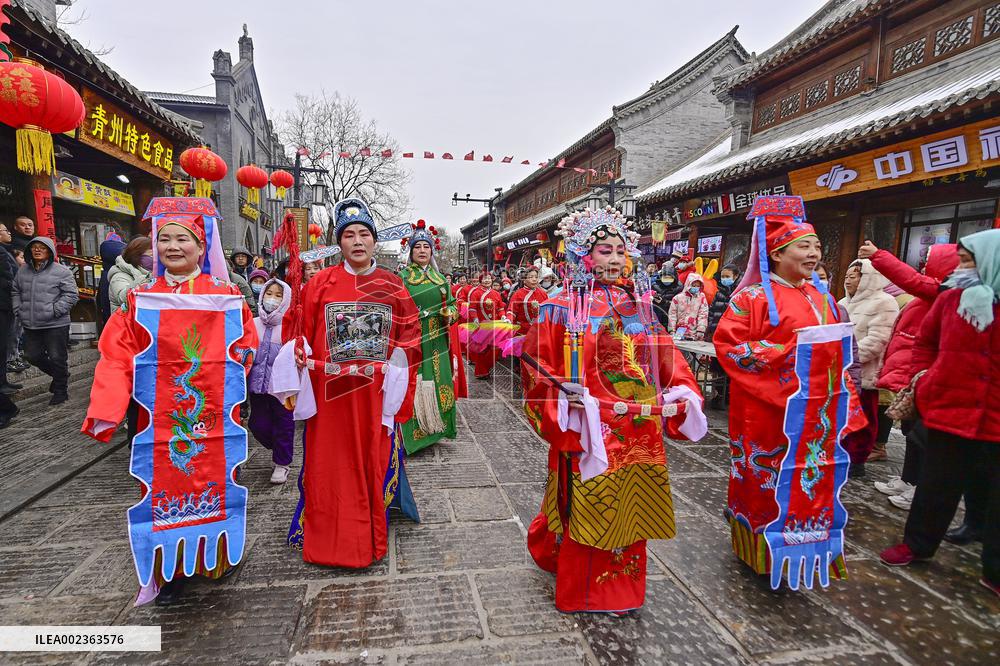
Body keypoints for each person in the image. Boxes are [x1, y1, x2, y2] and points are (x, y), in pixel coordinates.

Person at [524, 206, 706, 614]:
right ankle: (587, 589)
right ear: (583, 255)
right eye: (605, 251)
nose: (616, 259)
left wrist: (682, 387)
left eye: (621, 252)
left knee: (631, 501)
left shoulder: (636, 306)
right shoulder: (560, 306)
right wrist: (560, 399)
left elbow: (664, 353)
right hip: (591, 425)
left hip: (638, 424)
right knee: (590, 502)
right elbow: (536, 363)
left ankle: (621, 586)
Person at [82, 197, 258, 605]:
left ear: (201, 247)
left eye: (183, 238)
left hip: (210, 414)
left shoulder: (225, 295)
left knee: (213, 480)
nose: (173, 247)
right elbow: (116, 353)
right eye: (164, 239)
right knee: (162, 484)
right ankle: (166, 568)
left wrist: (237, 366)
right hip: (155, 417)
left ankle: (211, 557)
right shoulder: (140, 300)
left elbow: (246, 342)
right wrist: (107, 409)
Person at [714, 195, 864, 590]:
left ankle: (810, 555)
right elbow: (732, 350)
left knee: (813, 484)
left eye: (816, 245)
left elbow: (839, 355)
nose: (814, 253)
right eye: (804, 246)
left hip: (818, 413)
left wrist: (846, 399)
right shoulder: (751, 298)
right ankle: (761, 557)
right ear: (777, 254)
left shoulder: (821, 297)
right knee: (767, 483)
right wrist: (792, 353)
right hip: (767, 412)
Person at [283, 198, 421, 568]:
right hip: (330, 398)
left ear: (374, 241)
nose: (357, 241)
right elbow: (302, 333)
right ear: (338, 243)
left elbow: (410, 338)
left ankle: (369, 540)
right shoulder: (320, 284)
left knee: (371, 463)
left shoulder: (393, 286)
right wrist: (298, 361)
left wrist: (397, 393)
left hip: (375, 395)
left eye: (364, 234)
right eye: (348, 235)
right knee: (328, 466)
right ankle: (328, 543)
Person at [880, 229, 1000, 600]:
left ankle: (994, 568)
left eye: (969, 261)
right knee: (937, 484)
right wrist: (925, 379)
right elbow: (926, 343)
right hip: (949, 407)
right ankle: (917, 545)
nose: (962, 268)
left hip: (994, 414)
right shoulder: (950, 300)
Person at [858, 240, 959, 512]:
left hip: (925, 377)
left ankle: (919, 489)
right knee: (912, 433)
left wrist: (879, 256)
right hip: (910, 376)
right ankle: (908, 480)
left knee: (921, 438)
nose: (923, 266)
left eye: (929, 261)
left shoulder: (941, 291)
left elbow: (912, 280)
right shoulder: (929, 296)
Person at [398, 220, 459, 454]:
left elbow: (453, 306)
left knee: (438, 379)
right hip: (411, 339)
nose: (422, 251)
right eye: (417, 247)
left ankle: (437, 427)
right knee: (414, 381)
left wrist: (449, 314)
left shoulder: (441, 280)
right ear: (411, 252)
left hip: (437, 339)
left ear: (432, 251)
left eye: (426, 246)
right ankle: (413, 435)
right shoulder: (402, 278)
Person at [838, 259, 898, 477]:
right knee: (841, 418)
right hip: (840, 372)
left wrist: (846, 356)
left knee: (863, 421)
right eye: (847, 275)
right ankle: (841, 455)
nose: (848, 279)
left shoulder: (884, 302)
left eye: (854, 275)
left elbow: (878, 341)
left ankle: (856, 460)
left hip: (865, 374)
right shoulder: (843, 302)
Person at [12, 237, 79, 405]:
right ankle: (59, 376)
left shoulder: (62, 271)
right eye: (34, 247)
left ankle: (60, 391)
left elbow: (71, 294)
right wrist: (18, 309)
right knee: (31, 355)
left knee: (58, 357)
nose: (37, 250)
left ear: (49, 251)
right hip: (31, 323)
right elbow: (15, 291)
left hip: (56, 323)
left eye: (42, 247)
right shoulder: (23, 270)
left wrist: (55, 310)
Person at [248, 278, 295, 484]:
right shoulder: (251, 323)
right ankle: (279, 449)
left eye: (278, 295)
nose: (272, 299)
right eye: (269, 294)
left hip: (282, 389)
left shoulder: (290, 326)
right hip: (257, 387)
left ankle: (282, 463)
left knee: (284, 425)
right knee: (257, 425)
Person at [468, 272, 505, 379]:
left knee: (495, 349)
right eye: (484, 279)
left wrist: (503, 316)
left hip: (495, 325)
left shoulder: (496, 293)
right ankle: (481, 371)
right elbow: (472, 308)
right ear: (480, 280)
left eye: (489, 278)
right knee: (482, 349)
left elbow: (501, 308)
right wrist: (475, 318)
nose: (487, 280)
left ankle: (487, 367)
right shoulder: (476, 293)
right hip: (481, 325)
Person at [0, 224, 22, 396]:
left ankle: (3, 381)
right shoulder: (2, 253)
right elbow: (7, 279)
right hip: (4, 303)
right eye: (5, 231)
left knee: (6, 343)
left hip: (7, 303)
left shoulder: (6, 251)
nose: (9, 233)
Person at [108, 237, 153, 311]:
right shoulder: (119, 275)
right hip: (125, 321)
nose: (154, 260)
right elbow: (122, 298)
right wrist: (146, 278)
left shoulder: (149, 272)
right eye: (151, 256)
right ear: (136, 256)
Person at [96, 233, 126, 334]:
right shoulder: (120, 273)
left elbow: (100, 300)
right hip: (119, 321)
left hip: (110, 320)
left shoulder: (106, 273)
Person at [505, 267, 548, 336]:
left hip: (539, 332)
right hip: (522, 333)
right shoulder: (518, 294)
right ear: (524, 280)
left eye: (536, 277)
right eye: (531, 277)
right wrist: (509, 319)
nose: (534, 279)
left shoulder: (543, 294)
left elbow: (547, 312)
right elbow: (512, 311)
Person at [667, 273, 709, 341]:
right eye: (694, 285)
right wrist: (672, 330)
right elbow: (672, 315)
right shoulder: (677, 298)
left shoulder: (701, 298)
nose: (696, 287)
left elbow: (703, 314)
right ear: (688, 284)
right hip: (678, 332)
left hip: (694, 333)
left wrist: (701, 330)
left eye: (698, 286)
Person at [707, 264, 740, 339]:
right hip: (716, 331)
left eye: (727, 277)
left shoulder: (739, 293)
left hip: (731, 333)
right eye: (723, 277)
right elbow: (711, 311)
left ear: (736, 276)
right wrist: (710, 327)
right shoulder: (718, 293)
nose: (724, 279)